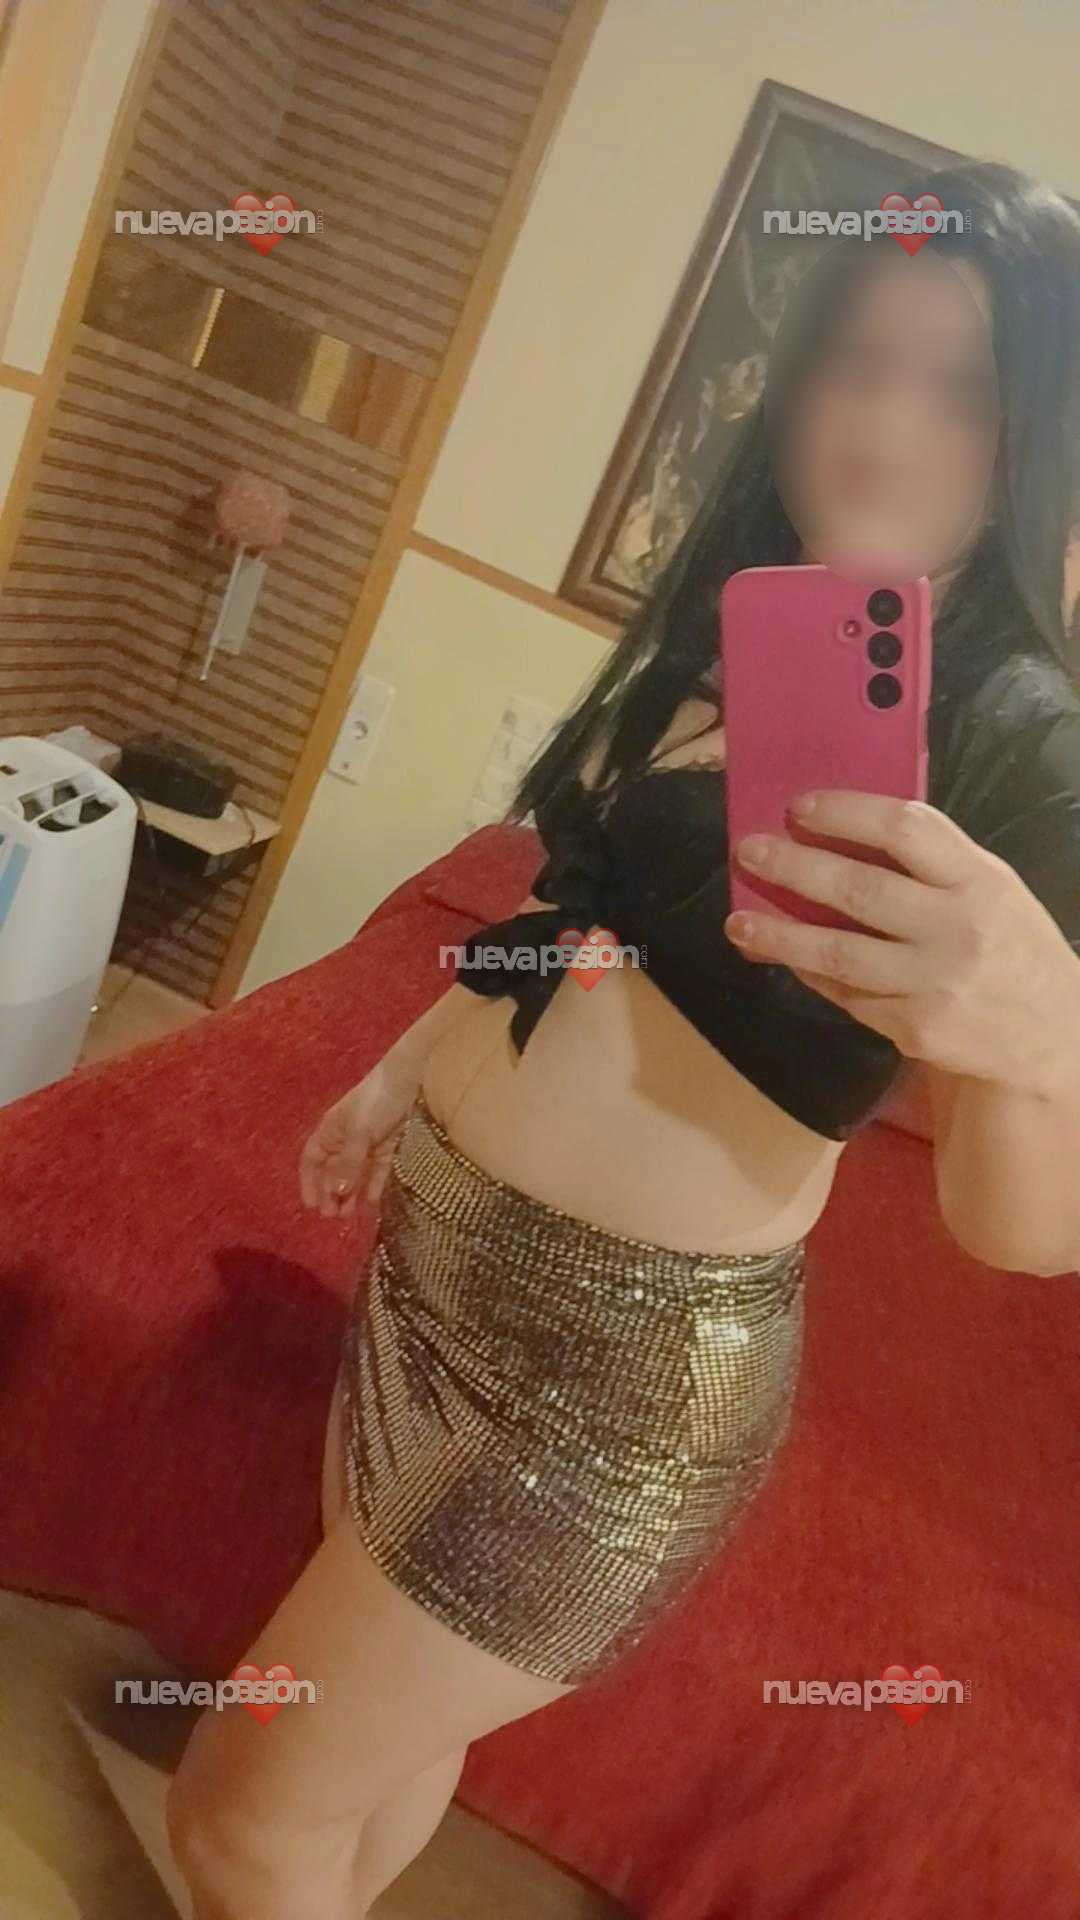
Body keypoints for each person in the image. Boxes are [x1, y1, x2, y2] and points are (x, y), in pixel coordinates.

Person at [167, 160, 1080, 1920]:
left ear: (1035, 430)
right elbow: (576, 909)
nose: (884, 421)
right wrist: (403, 1064)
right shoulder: (745, 616)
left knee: (239, 1818)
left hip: (610, 1383)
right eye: (856, 361)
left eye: (960, 387)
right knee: (376, 1772)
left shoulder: (1021, 730)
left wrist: (1050, 1038)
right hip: (440, 1265)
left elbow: (1019, 1226)